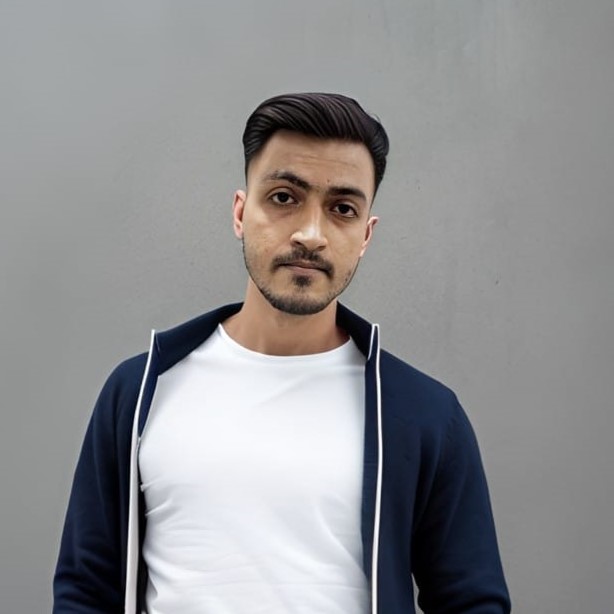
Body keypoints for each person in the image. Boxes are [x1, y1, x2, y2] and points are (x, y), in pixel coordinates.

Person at [53, 92, 511, 613]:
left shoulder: (423, 415)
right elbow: (85, 590)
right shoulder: (139, 392)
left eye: (342, 209)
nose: (311, 235)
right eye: (284, 197)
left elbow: (471, 602)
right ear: (240, 212)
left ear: (365, 234)